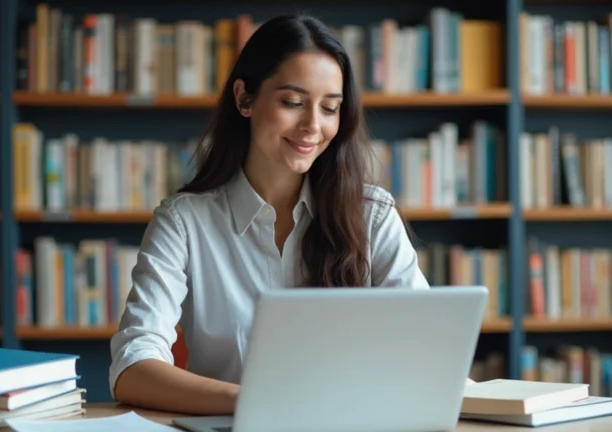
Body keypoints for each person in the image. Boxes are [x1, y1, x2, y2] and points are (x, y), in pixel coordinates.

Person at [109, 13, 433, 415]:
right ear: (244, 98)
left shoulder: (373, 216)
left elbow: (426, 350)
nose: (313, 126)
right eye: (292, 103)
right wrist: (254, 402)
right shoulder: (184, 222)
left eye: (330, 108)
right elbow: (133, 367)